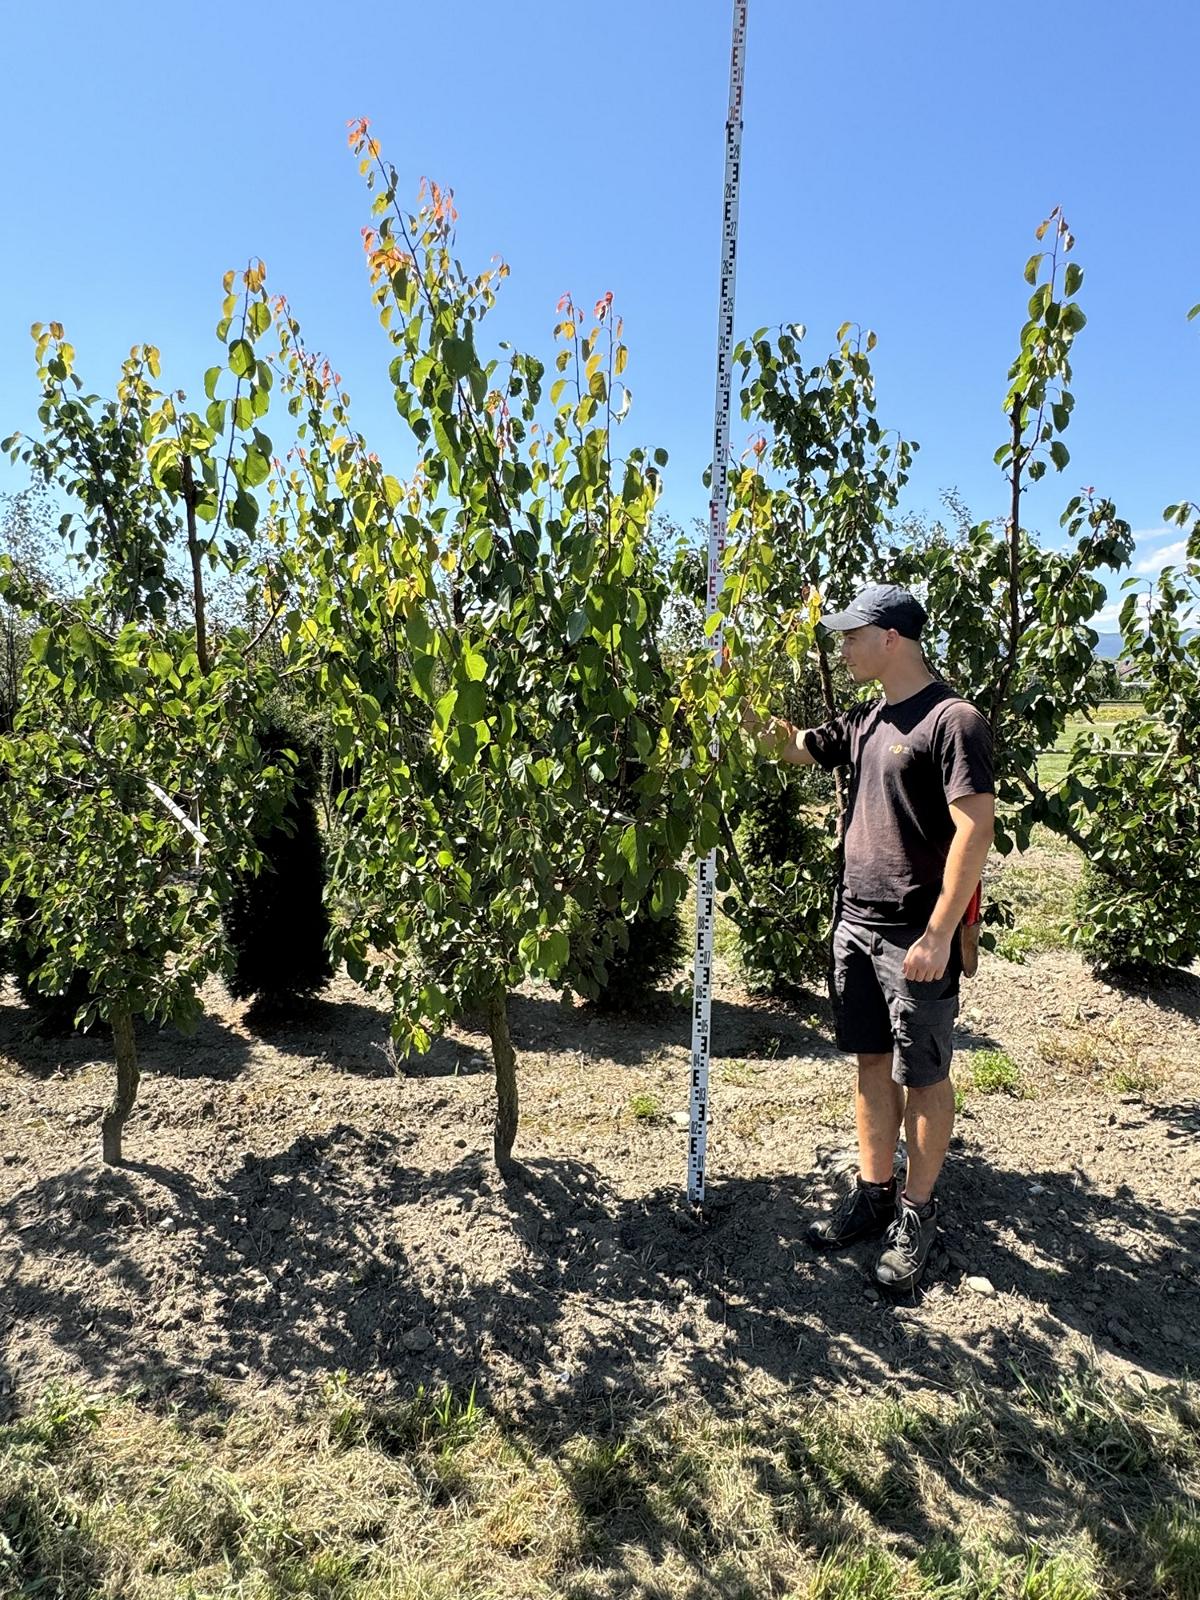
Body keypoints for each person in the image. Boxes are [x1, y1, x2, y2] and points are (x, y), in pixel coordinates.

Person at [743, 583, 994, 1292]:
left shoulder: (953, 720)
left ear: (891, 637)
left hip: (916, 934)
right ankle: (874, 1192)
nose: (842, 647)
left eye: (851, 635)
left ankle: (917, 1213)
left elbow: (976, 829)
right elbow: (789, 745)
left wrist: (942, 932)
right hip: (855, 925)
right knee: (869, 1063)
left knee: (924, 1077)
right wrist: (729, 691)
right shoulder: (865, 720)